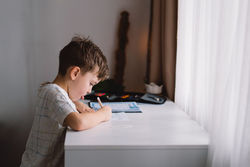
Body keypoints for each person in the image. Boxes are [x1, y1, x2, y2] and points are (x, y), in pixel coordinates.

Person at [20, 36, 112, 167]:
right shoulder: (53, 93)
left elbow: (62, 101)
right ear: (75, 73)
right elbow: (78, 123)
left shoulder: (52, 91)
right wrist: (103, 114)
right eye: (91, 83)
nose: (89, 90)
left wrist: (75, 103)